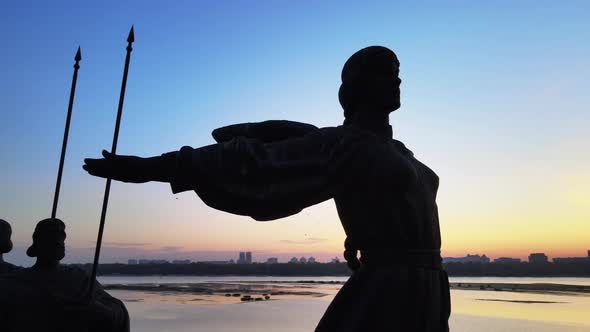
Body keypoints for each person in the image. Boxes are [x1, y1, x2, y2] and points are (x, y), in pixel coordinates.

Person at [83, 46, 451, 331]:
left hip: (430, 287)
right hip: (388, 290)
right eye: (385, 73)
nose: (396, 80)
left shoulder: (399, 152)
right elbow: (247, 160)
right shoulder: (345, 145)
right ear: (356, 86)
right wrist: (148, 168)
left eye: (398, 73)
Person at [0, 218, 129, 332]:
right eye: (51, 239)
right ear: (38, 244)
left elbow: (117, 312)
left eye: (61, 238)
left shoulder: (79, 278)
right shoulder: (12, 282)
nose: (58, 243)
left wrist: (98, 309)